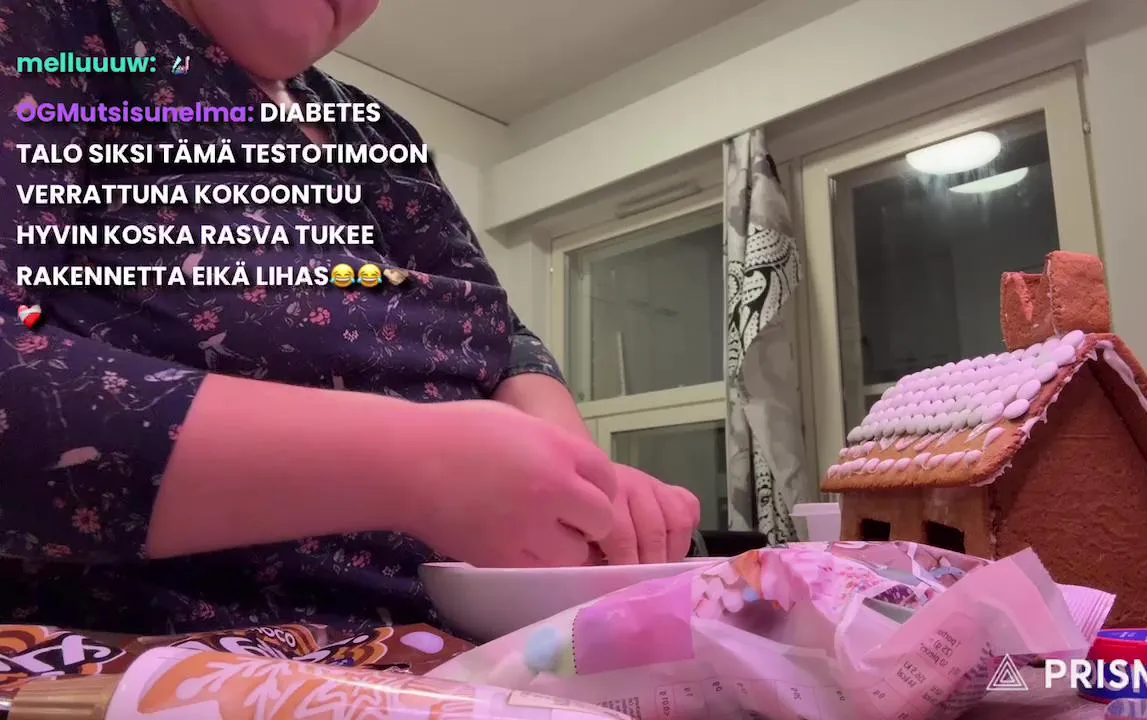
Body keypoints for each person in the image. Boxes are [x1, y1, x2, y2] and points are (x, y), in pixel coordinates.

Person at [0, 0, 700, 635]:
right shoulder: (65, 25)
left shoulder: (375, 128)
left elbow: (502, 334)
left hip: (473, 639)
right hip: (196, 654)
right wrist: (418, 466)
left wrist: (586, 487)